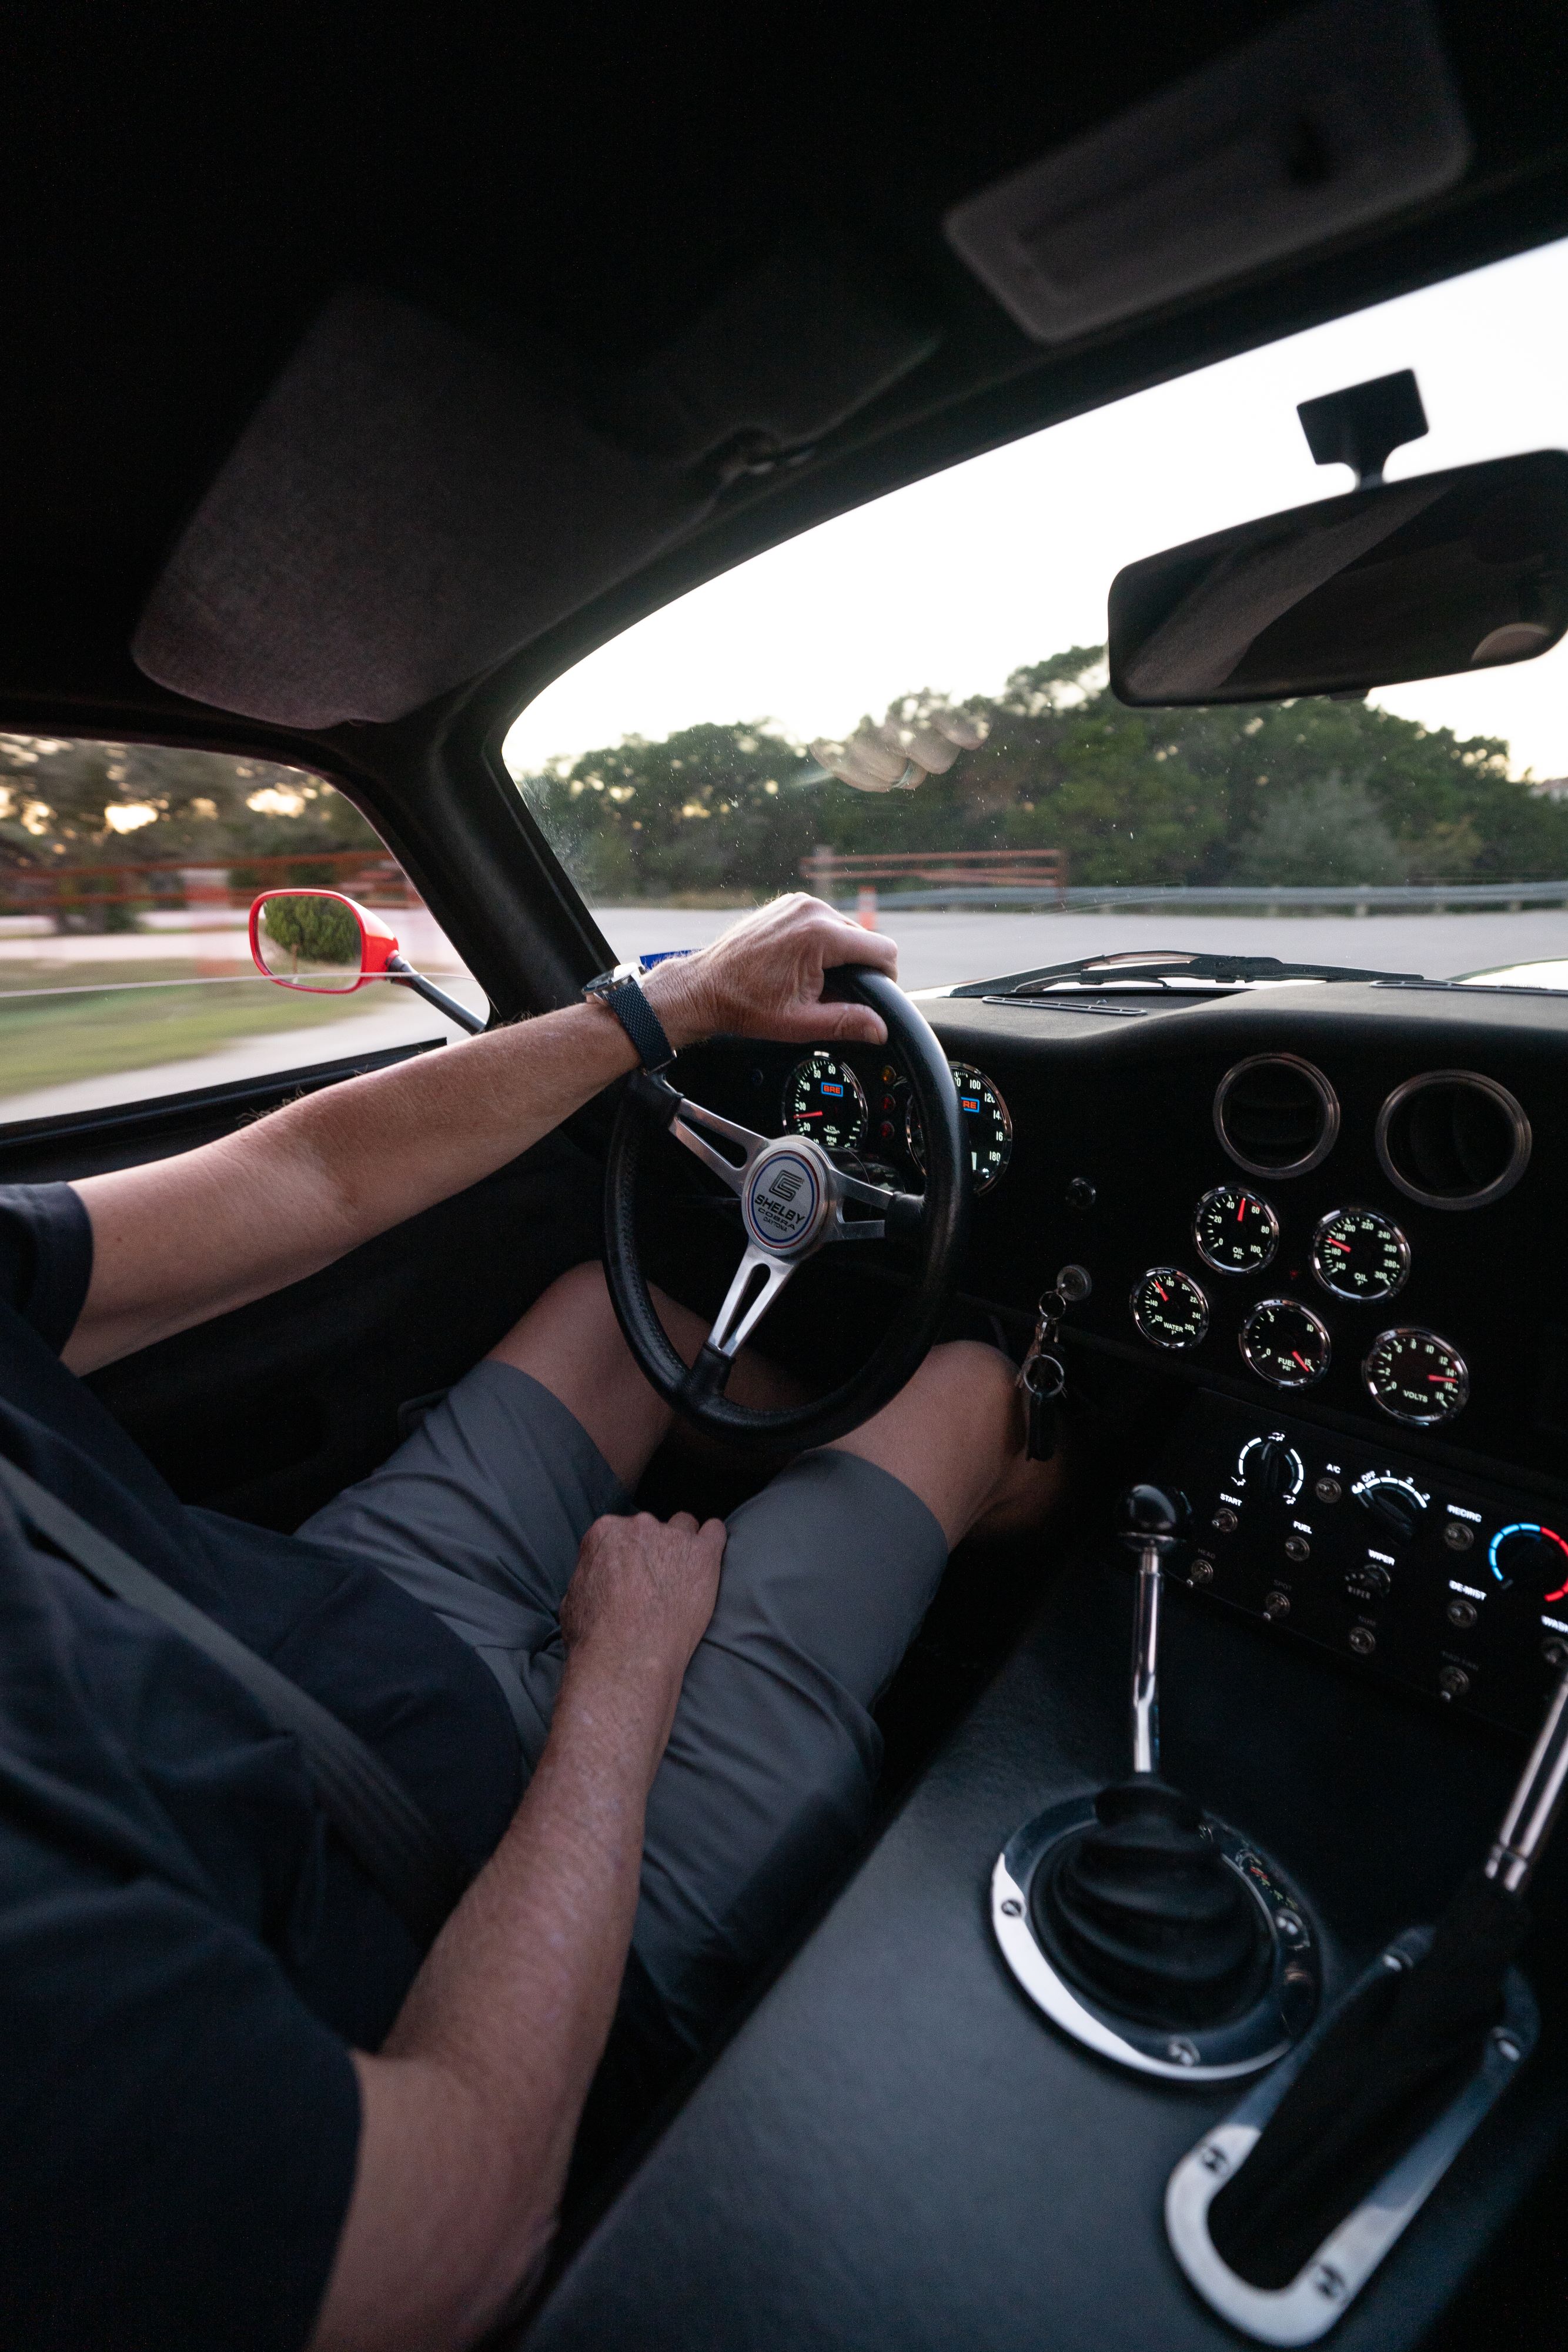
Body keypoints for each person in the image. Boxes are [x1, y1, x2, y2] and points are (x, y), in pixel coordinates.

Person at [0, 893, 1056, 2352]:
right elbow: (458, 2234)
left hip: (333, 1627)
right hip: (495, 1925)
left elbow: (305, 1171)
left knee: (599, 1309)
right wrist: (618, 1679)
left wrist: (662, 1010)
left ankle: (837, 1489)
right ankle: (1005, 1487)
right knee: (971, 1386)